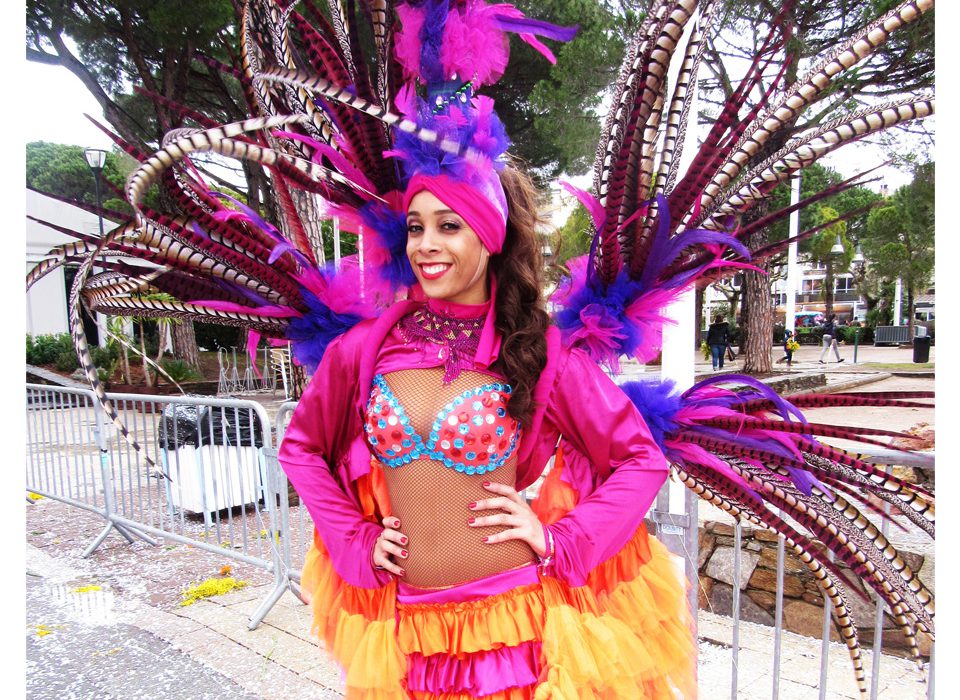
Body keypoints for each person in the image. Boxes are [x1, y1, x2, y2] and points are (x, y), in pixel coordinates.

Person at [278, 164, 695, 699]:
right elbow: (302, 448)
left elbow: (640, 459)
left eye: (448, 226)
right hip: (410, 632)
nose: (426, 245)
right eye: (415, 227)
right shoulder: (367, 348)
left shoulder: (538, 350)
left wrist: (561, 539)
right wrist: (352, 540)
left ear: (490, 235)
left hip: (514, 627)